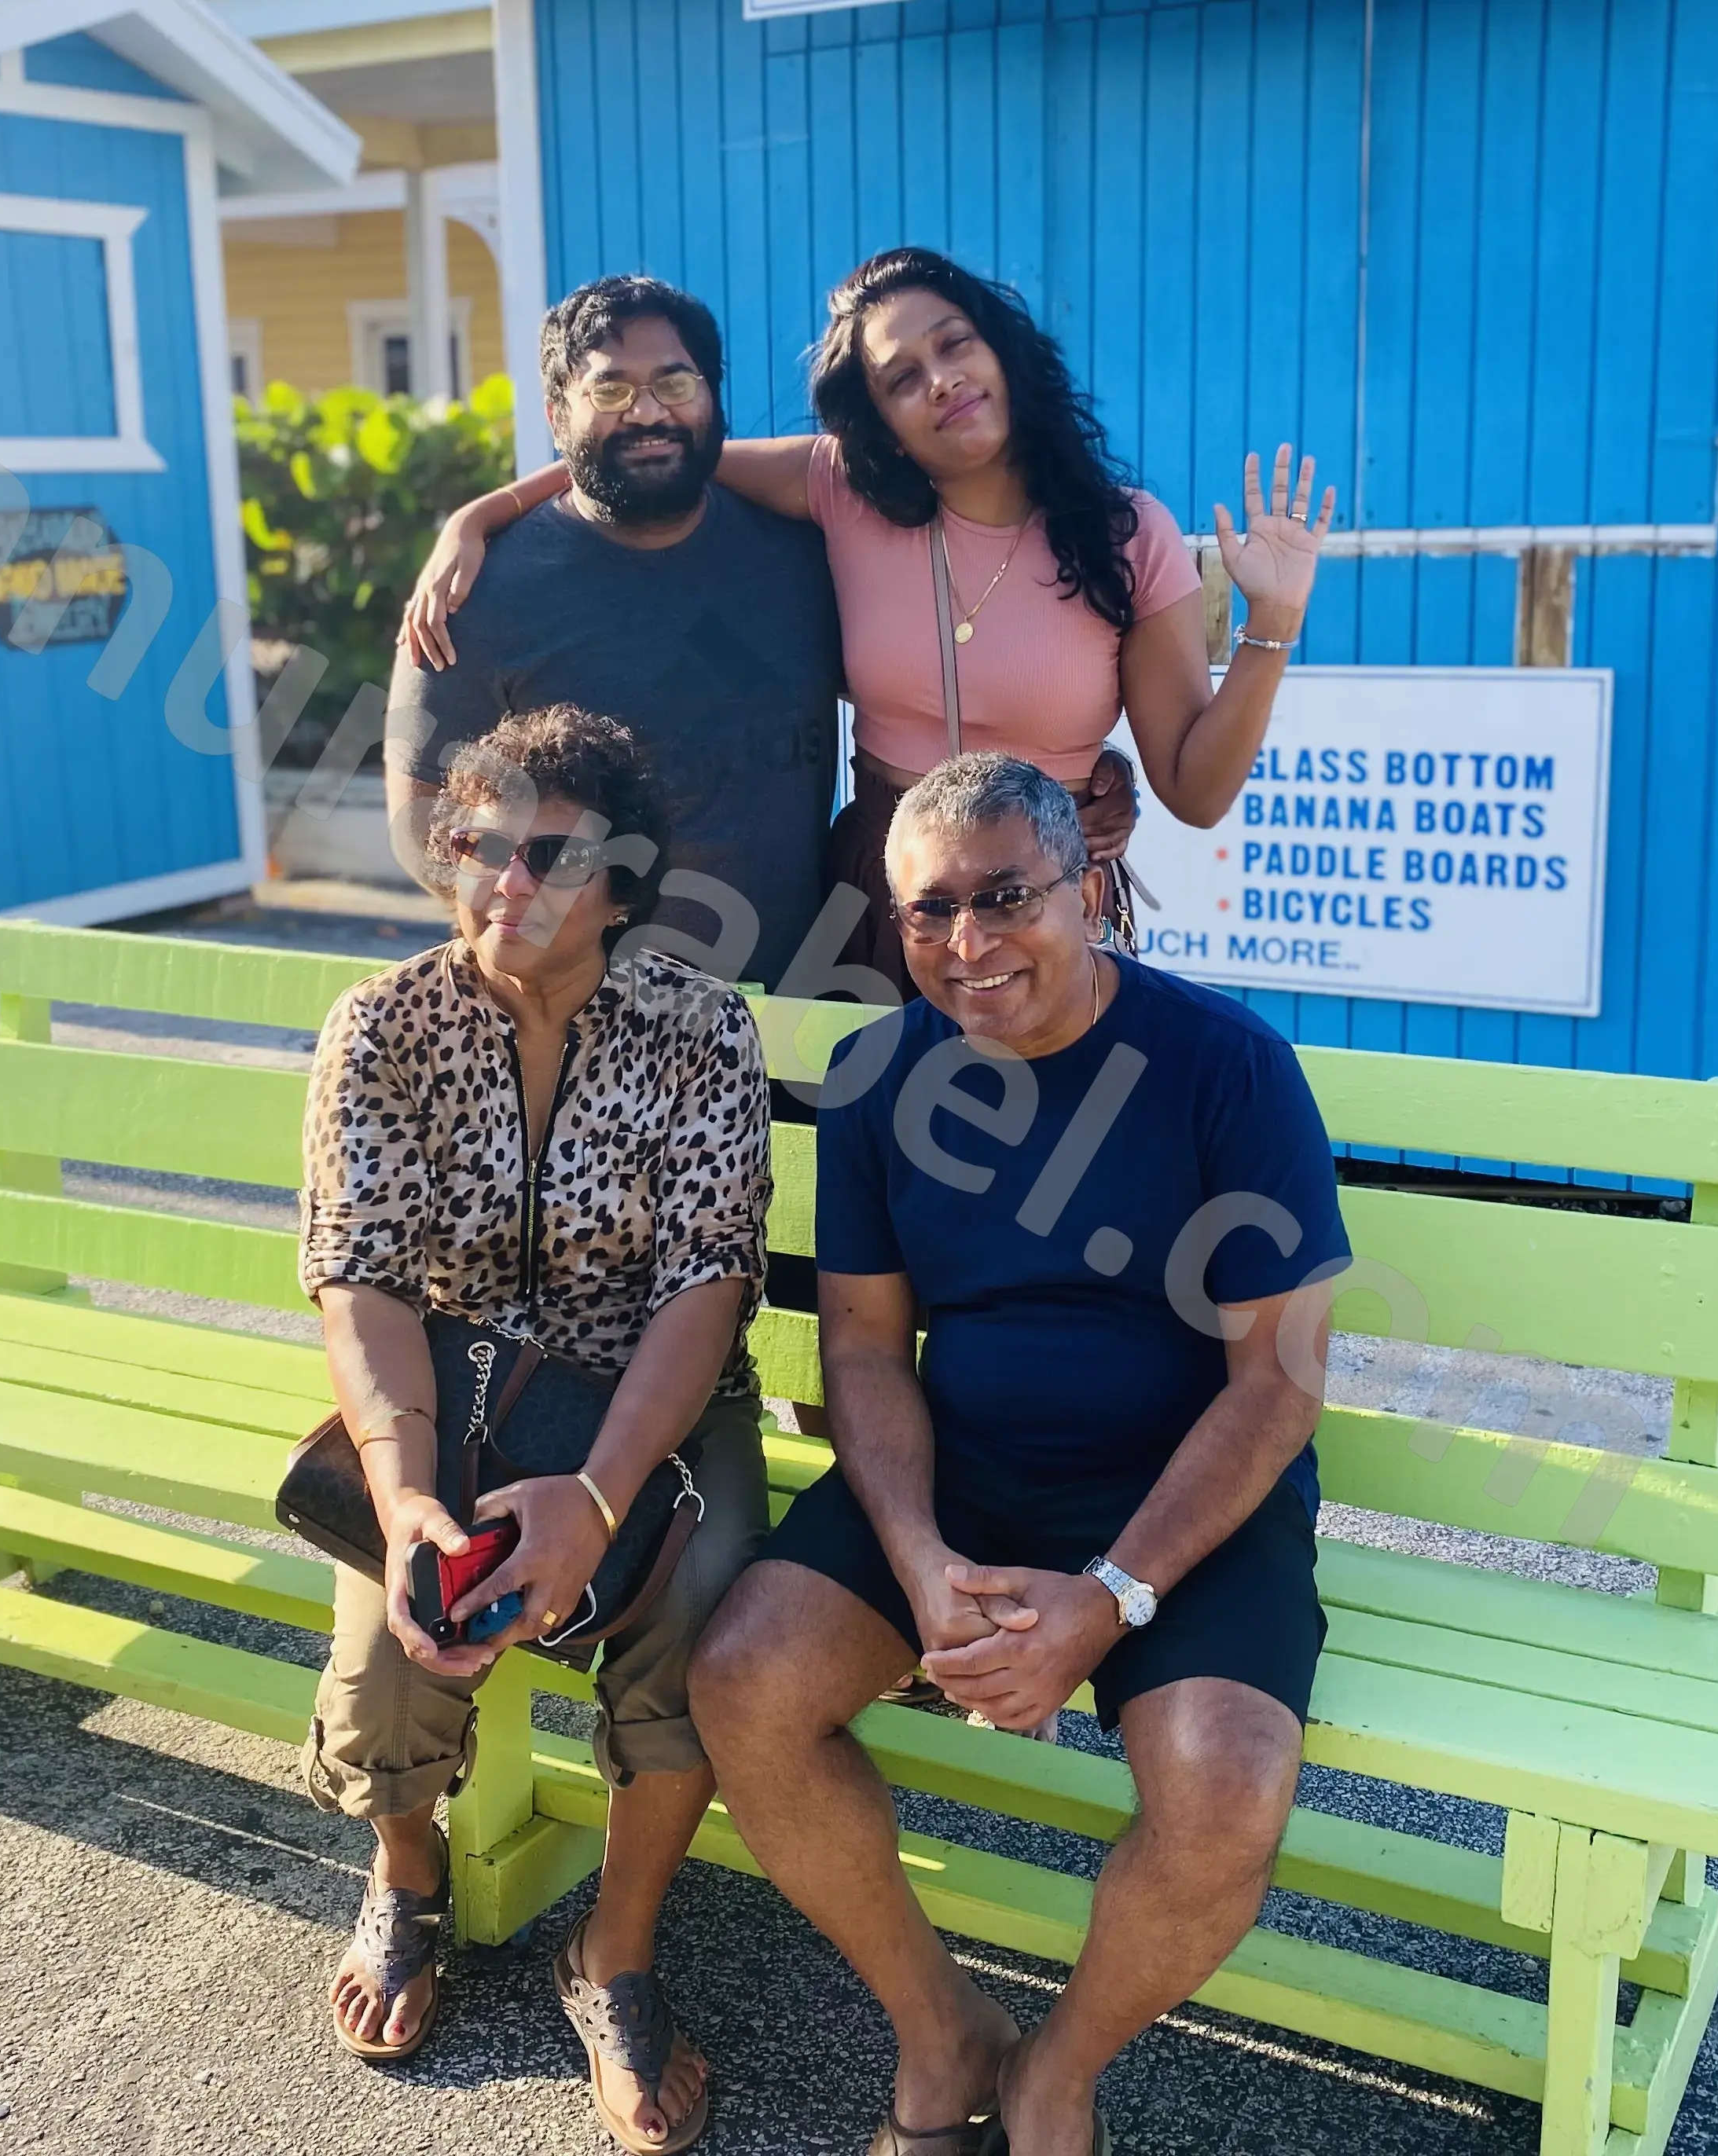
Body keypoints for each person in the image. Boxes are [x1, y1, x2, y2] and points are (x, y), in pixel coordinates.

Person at [684, 753, 1352, 2156]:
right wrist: (923, 1561)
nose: (968, 944)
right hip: (967, 1474)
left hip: (1188, 1498)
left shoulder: (1226, 1069)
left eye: (1005, 898)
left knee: (1224, 1781)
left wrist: (1108, 1596)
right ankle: (943, 2033)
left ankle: (1056, 2070)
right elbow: (864, 1351)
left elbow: (1276, 1384)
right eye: (929, 912)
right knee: (746, 1678)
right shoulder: (877, 1078)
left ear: (1088, 886)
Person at [402, 246, 1333, 988]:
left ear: (1001, 350)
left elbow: (1198, 789)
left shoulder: (1130, 534)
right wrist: (480, 513)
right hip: (876, 898)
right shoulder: (842, 489)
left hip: (1048, 893)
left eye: (955, 343)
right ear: (876, 419)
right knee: (876, 1177)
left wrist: (1274, 623)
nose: (940, 380)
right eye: (900, 376)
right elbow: (658, 448)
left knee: (1042, 1162)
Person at [302, 703, 773, 2154]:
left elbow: (710, 1284)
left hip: (658, 1411)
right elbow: (361, 1274)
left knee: (698, 1634)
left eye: (549, 853)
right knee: (392, 1641)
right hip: (440, 1398)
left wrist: (598, 1491)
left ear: (622, 880)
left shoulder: (703, 1030)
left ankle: (612, 1953)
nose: (504, 880)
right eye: (477, 846)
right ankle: (407, 1875)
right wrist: (400, 1501)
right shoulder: (382, 1025)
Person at [387, 274, 842, 992]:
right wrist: (558, 939)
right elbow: (422, 825)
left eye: (674, 383)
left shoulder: (803, 555)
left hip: (799, 1005)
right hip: (580, 1030)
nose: (647, 412)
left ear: (713, 396)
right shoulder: (478, 594)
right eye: (609, 391)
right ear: (556, 414)